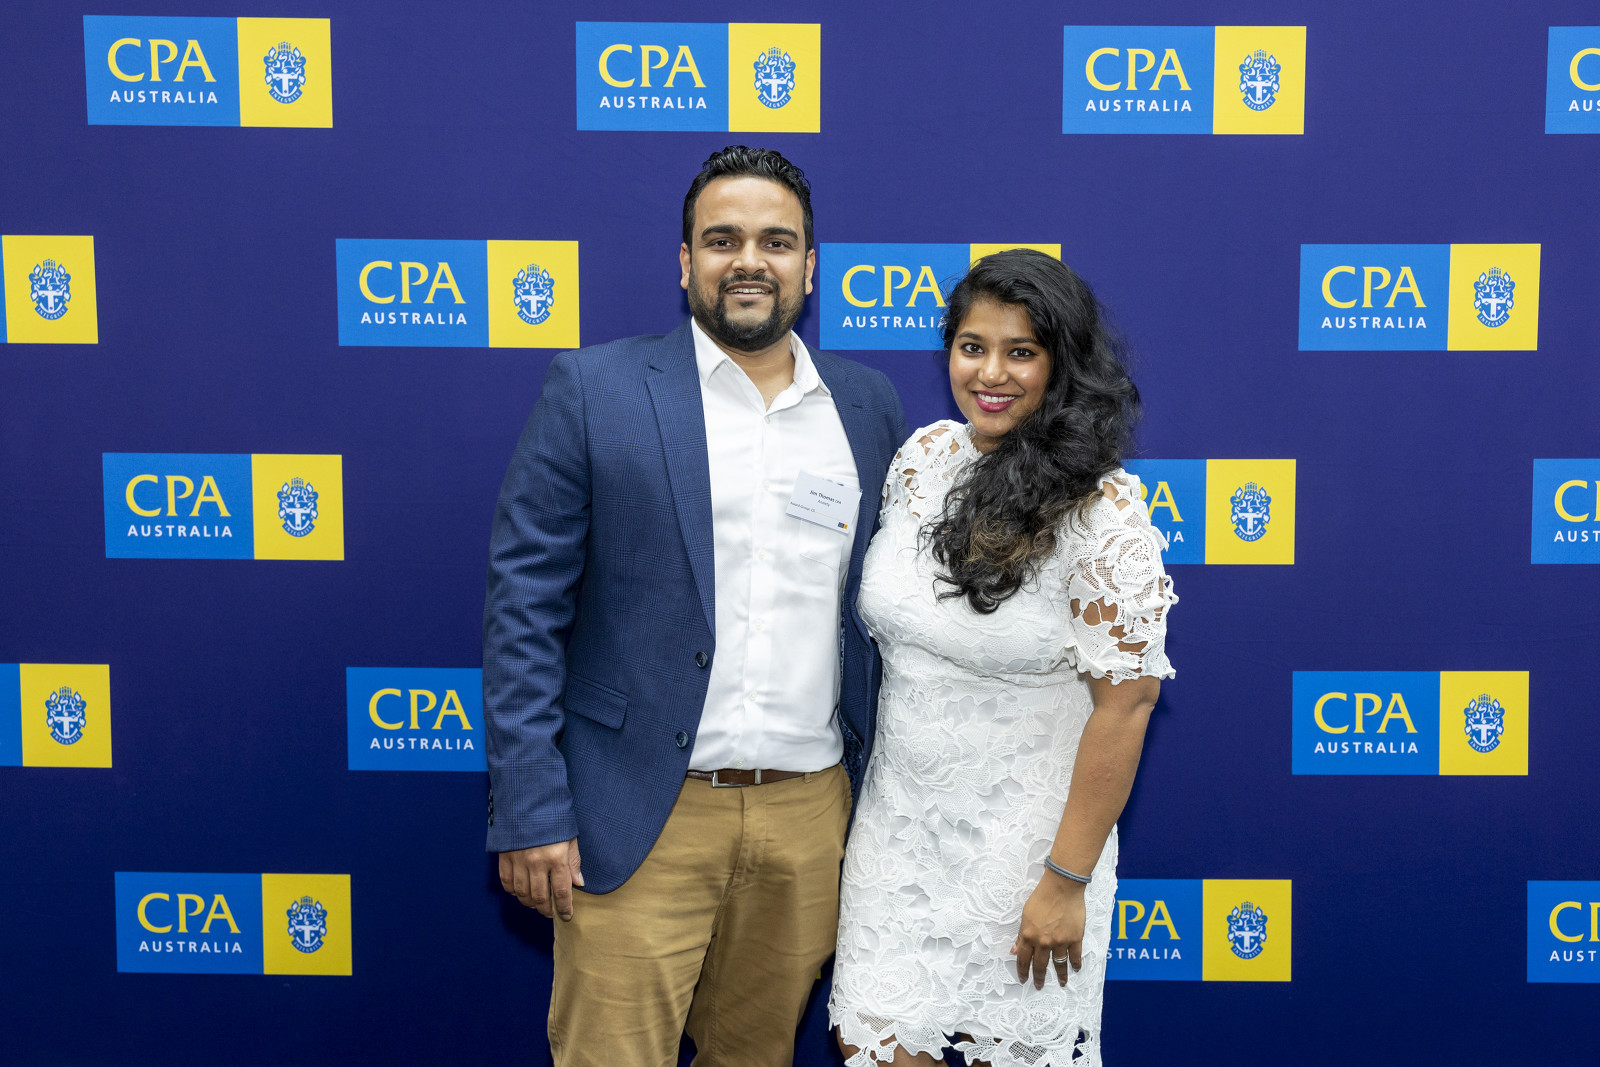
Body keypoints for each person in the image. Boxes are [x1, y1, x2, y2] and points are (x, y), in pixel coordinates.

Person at [482, 146, 907, 1067]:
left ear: (810, 266)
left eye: (775, 241)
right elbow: (524, 610)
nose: (749, 260)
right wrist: (530, 805)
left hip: (809, 816)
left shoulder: (866, 406)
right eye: (722, 240)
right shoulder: (595, 390)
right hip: (637, 813)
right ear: (685, 263)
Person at [829, 249, 1176, 1067]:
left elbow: (1126, 704)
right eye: (972, 346)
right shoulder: (922, 460)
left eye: (1021, 351)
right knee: (869, 1041)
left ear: (1062, 363)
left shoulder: (1103, 512)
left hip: (1029, 860)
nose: (991, 373)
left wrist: (1065, 880)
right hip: (897, 842)